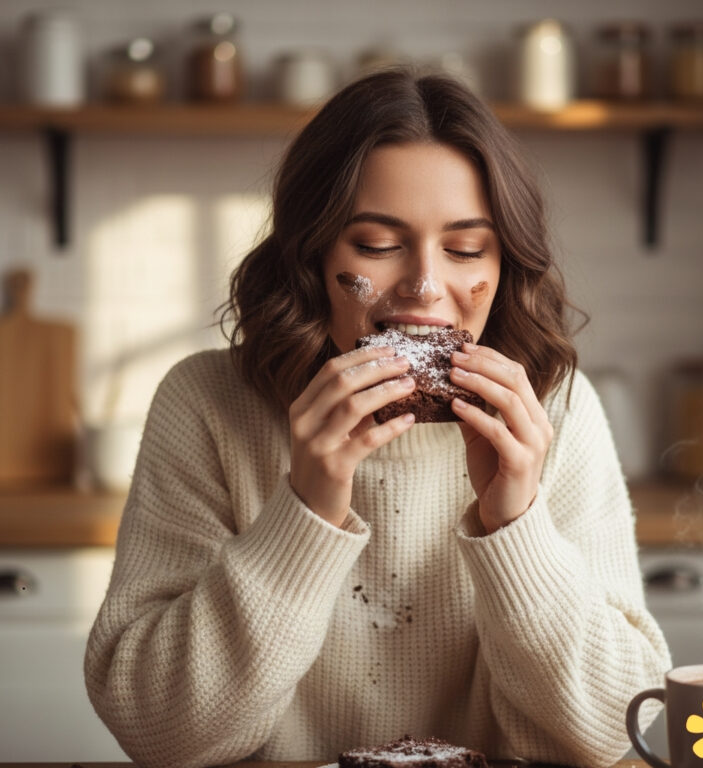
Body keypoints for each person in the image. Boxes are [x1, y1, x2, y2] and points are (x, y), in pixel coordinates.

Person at [84, 69, 670, 768]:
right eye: (377, 244)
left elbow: (609, 733)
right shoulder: (210, 405)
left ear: (505, 261)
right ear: (312, 255)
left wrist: (516, 521)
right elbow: (159, 734)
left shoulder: (555, 411)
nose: (425, 287)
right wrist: (305, 510)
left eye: (464, 248)